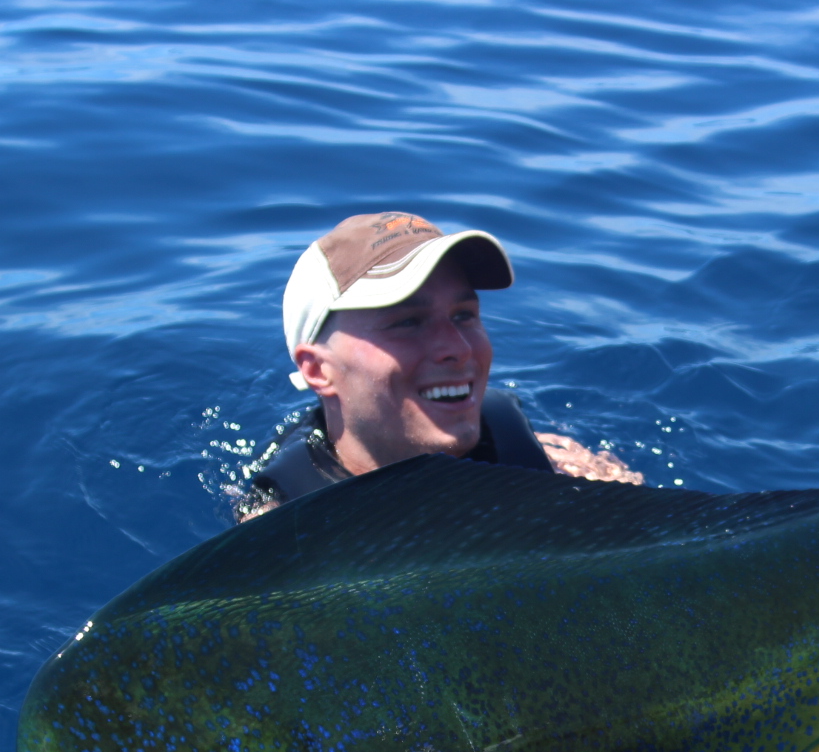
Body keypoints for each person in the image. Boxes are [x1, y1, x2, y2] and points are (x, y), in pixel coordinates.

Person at [235, 211, 639, 522]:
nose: (458, 348)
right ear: (319, 370)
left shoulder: (539, 450)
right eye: (407, 322)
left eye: (464, 315)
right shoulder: (282, 521)